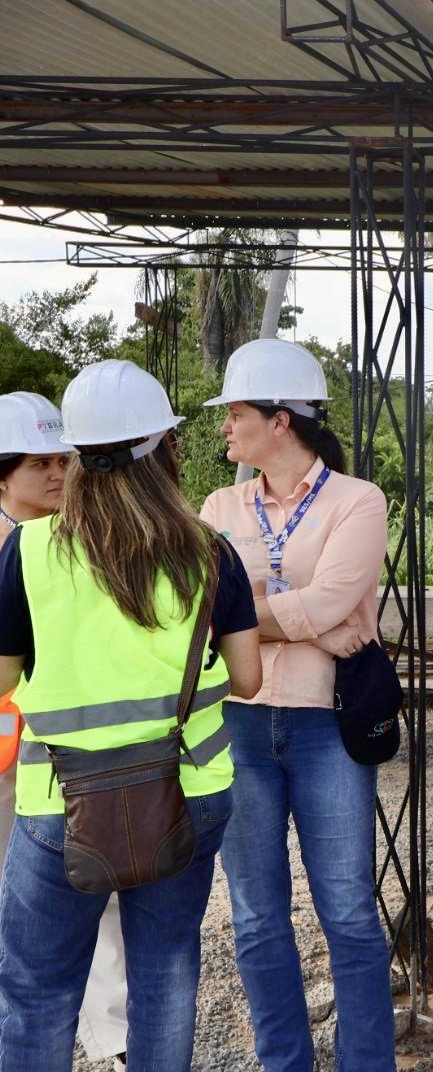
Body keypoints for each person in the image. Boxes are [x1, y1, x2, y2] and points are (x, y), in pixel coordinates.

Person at [0, 361, 261, 1069]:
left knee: (35, 989)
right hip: (188, 791)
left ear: (77, 456)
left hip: (62, 799)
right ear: (164, 449)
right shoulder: (212, 553)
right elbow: (248, 676)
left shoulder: (27, 552)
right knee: (166, 975)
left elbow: (3, 678)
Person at [198, 338, 395, 1071]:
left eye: (236, 412)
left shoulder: (356, 499)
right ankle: (286, 1063)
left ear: (280, 421)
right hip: (240, 721)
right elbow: (209, 607)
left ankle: (366, 1062)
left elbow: (335, 599)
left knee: (346, 911)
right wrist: (304, 615)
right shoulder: (220, 504)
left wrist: (248, 608)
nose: (224, 426)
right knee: (255, 919)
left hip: (325, 727)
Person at [0, 390, 135, 1068]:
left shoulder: (88, 540)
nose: (57, 474)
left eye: (64, 460)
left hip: (68, 760)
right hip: (7, 759)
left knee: (99, 895)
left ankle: (113, 1041)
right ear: (3, 472)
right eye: (40, 463)